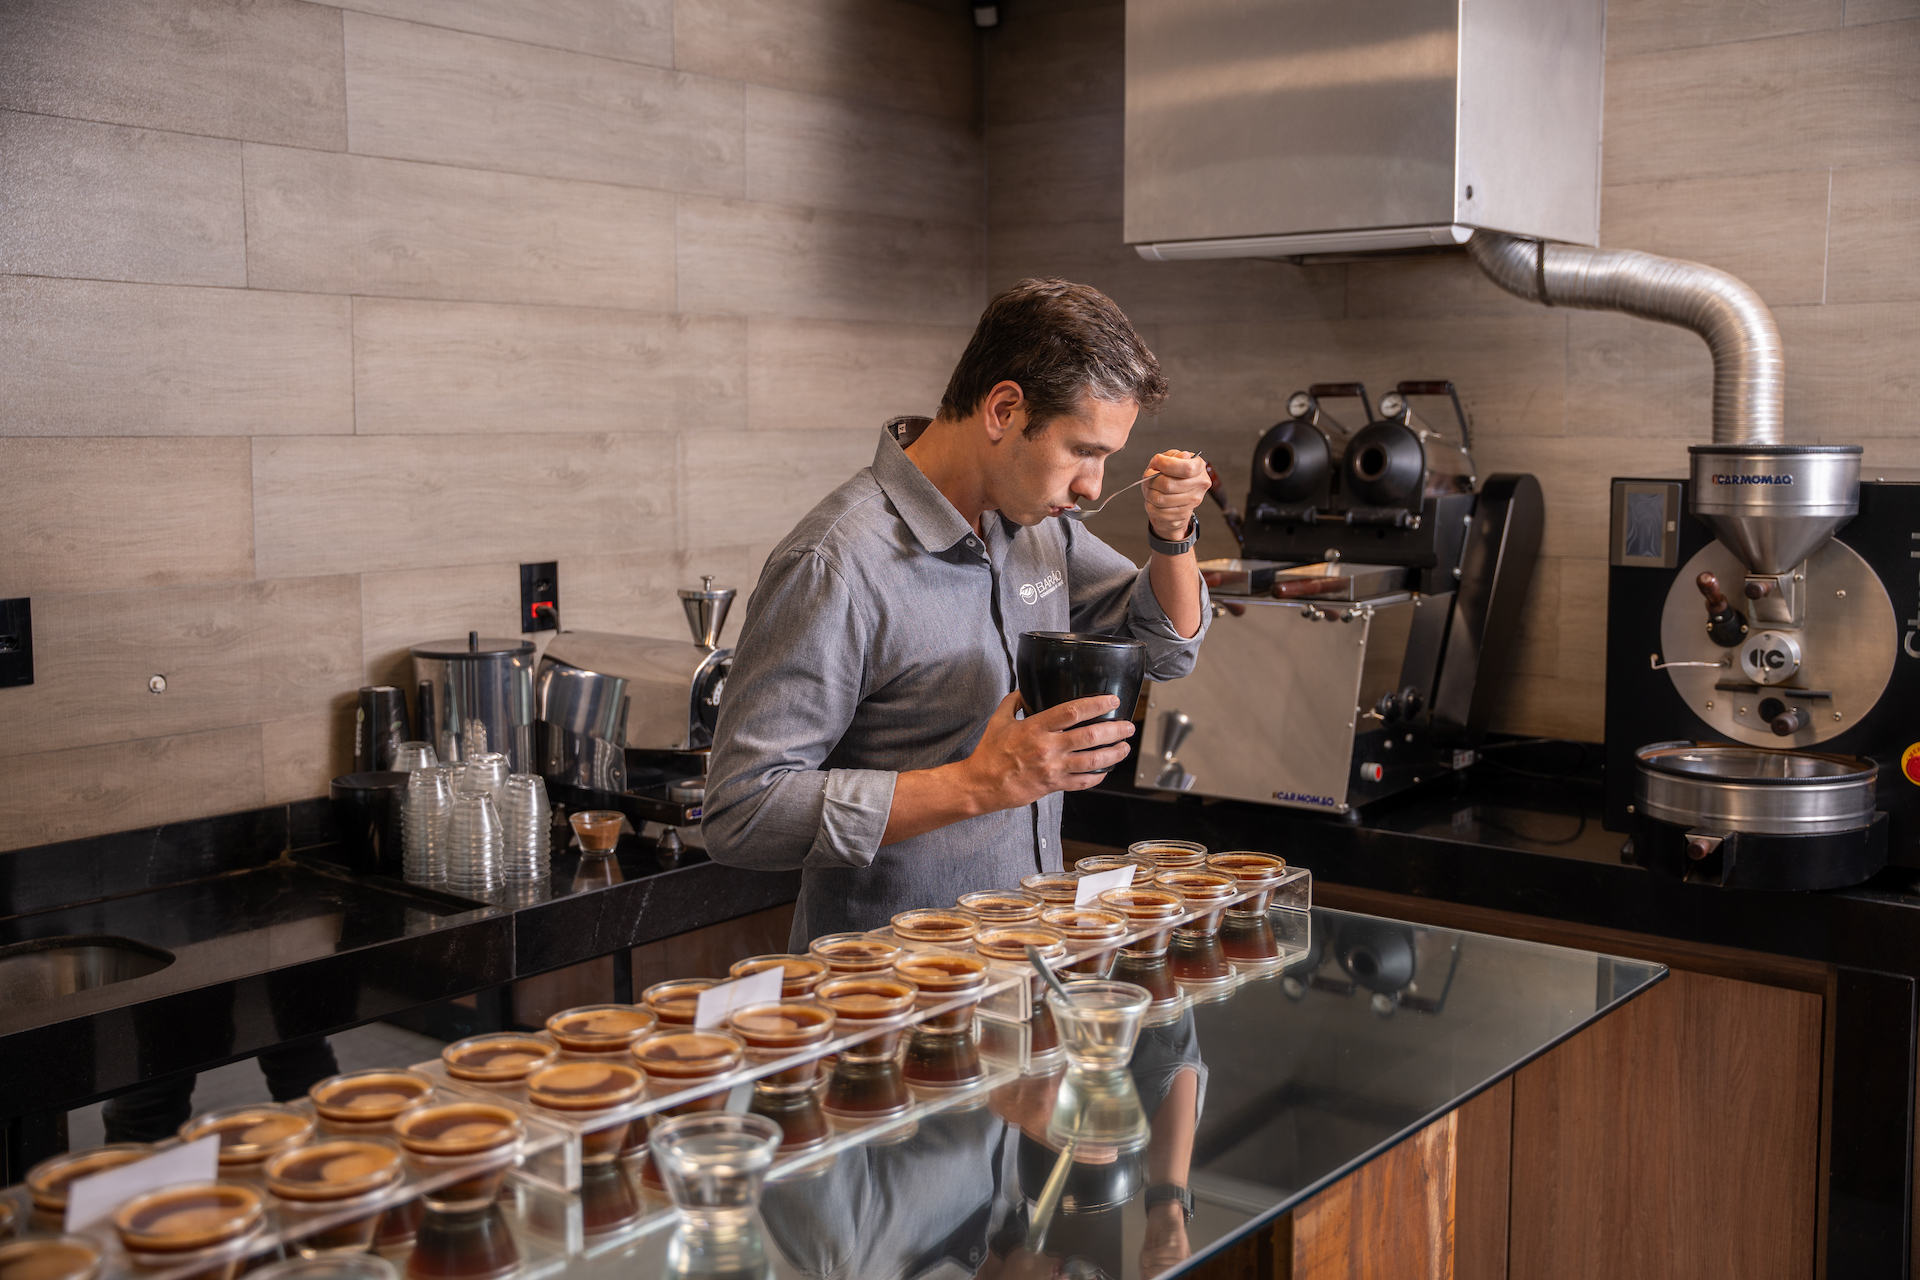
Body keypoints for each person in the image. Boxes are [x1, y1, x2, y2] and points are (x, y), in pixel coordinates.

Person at [703, 278, 1211, 943]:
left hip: (1027, 964)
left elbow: (1167, 651)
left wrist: (1173, 537)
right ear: (1003, 410)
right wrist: (978, 784)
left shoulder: (1040, 528)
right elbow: (742, 811)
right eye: (1084, 451)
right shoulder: (834, 563)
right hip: (891, 986)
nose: (1092, 487)